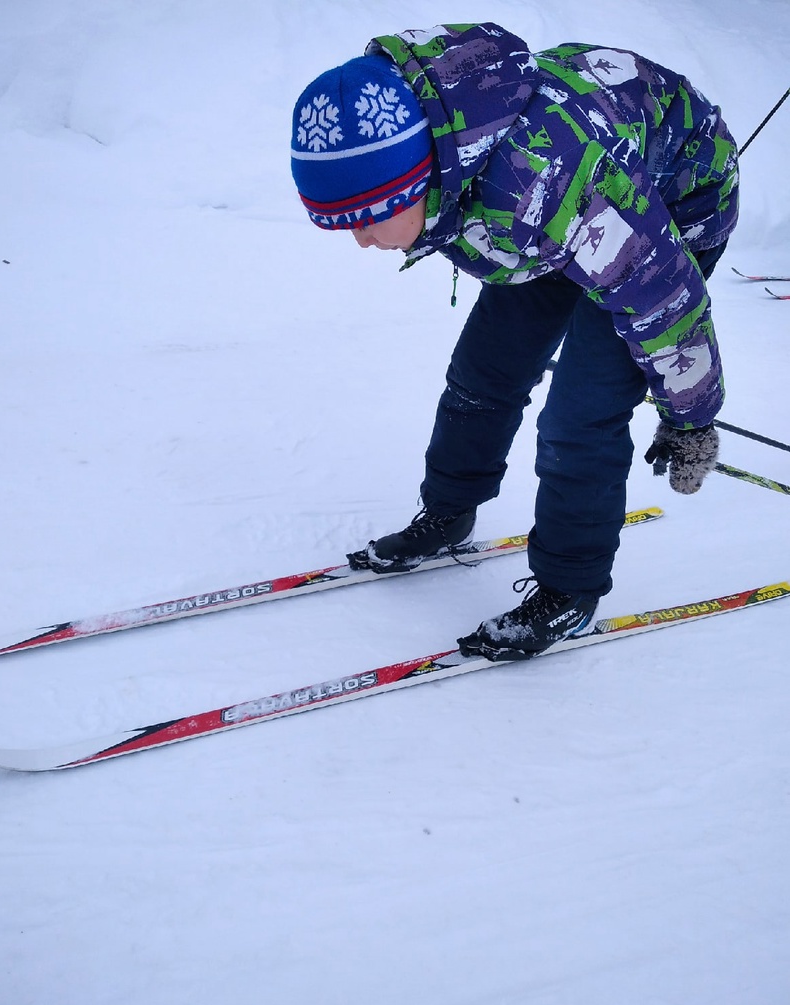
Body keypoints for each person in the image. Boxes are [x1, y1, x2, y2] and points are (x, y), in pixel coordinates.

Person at [290, 22, 739, 660]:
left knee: (581, 416)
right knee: (484, 372)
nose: (360, 240)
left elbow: (666, 300)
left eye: (367, 219)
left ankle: (569, 590)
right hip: (552, 218)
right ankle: (449, 511)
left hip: (665, 209)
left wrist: (690, 418)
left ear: (415, 181)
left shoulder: (547, 184)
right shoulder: (462, 162)